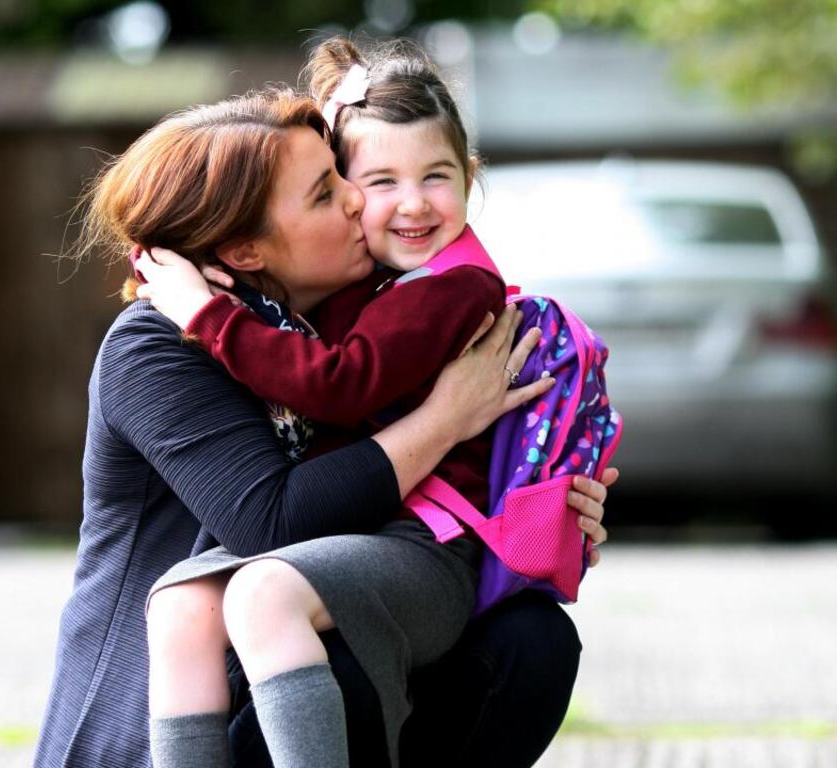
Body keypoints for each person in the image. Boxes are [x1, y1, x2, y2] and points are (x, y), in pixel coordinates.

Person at [34, 87, 613, 768]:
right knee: (331, 659)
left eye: (343, 175)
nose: (356, 200)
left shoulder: (353, 319)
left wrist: (540, 507)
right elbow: (274, 525)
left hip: (284, 657)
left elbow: (414, 498)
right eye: (324, 192)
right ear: (246, 250)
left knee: (527, 642)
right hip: (166, 726)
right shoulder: (158, 346)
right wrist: (446, 420)